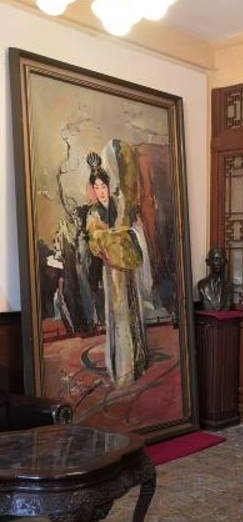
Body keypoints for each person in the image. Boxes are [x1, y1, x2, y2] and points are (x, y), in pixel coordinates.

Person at [85, 150, 148, 388]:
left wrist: (118, 236)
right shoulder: (93, 214)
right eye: (96, 187)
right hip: (111, 271)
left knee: (133, 311)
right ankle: (123, 370)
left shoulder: (121, 205)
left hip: (128, 268)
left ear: (109, 186)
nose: (101, 191)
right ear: (93, 189)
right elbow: (96, 241)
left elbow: (132, 230)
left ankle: (138, 361)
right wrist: (115, 238)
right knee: (119, 315)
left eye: (103, 186)